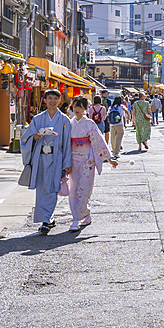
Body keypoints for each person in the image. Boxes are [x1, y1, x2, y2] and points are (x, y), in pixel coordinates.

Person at [20, 89, 72, 234]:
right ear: (45, 100)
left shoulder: (64, 120)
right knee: (42, 188)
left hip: (57, 157)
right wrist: (36, 136)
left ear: (59, 101)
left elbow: (67, 142)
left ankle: (47, 218)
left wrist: (67, 163)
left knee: (52, 187)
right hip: (41, 157)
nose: (52, 101)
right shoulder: (37, 119)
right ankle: (46, 218)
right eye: (49, 98)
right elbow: (25, 139)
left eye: (55, 98)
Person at [67, 97, 117, 232]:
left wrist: (109, 158)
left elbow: (98, 141)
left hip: (87, 160)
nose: (77, 109)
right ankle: (85, 215)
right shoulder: (68, 123)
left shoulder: (89, 124)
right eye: (75, 106)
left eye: (80, 107)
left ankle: (76, 218)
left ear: (85, 109)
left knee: (84, 189)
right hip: (73, 159)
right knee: (74, 189)